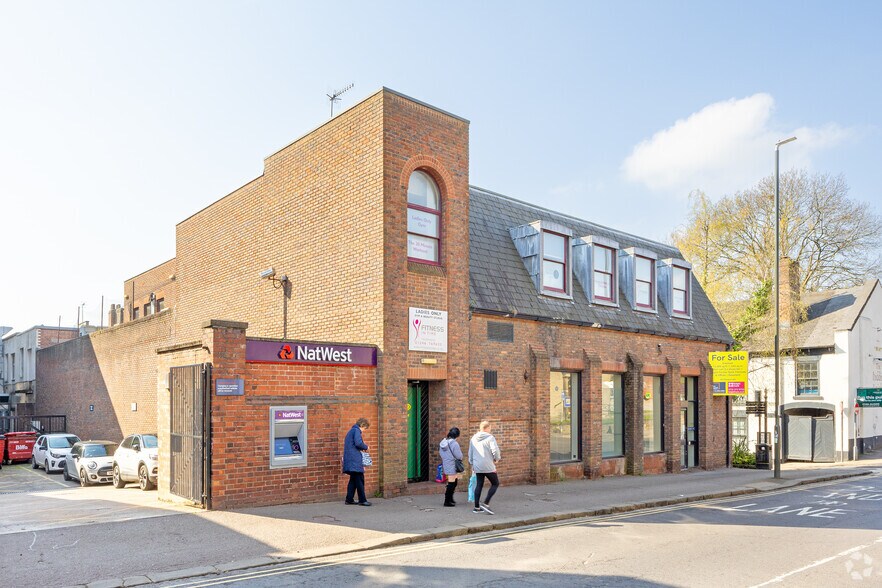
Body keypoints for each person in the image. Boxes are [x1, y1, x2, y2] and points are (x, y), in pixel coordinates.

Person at [468, 420, 501, 515]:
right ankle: (486, 503)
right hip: (488, 465)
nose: (490, 430)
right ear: (487, 428)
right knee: (495, 483)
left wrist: (472, 463)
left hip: (477, 466)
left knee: (479, 484)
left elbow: (470, 453)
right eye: (490, 428)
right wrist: (497, 459)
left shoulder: (473, 438)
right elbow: (495, 450)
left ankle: (476, 507)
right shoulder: (490, 438)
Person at [342, 417, 371, 506]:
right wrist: (366, 447)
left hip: (350, 459)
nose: (364, 431)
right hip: (355, 459)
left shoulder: (351, 431)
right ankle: (362, 500)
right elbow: (358, 443)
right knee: (360, 479)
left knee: (353, 480)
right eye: (365, 428)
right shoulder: (356, 431)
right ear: (362, 425)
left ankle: (349, 499)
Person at [439, 427, 463, 507]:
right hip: (453, 464)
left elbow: (441, 453)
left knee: (454, 481)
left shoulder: (443, 443)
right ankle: (447, 501)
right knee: (452, 483)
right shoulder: (454, 444)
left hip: (446, 463)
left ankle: (450, 499)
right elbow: (459, 456)